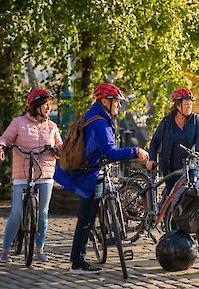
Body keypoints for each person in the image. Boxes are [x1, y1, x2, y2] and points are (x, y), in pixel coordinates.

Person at [54, 83, 149, 274]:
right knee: (86, 219)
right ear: (105, 101)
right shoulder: (100, 122)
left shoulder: (93, 115)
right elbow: (110, 152)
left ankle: (87, 249)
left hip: (88, 171)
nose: (119, 106)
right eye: (116, 102)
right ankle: (77, 262)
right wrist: (135, 150)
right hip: (89, 174)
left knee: (87, 216)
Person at [0, 89, 62, 262]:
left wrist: (60, 150)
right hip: (22, 174)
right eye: (45, 104)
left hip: (45, 174)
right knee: (16, 213)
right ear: (35, 106)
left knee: (43, 213)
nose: (48, 107)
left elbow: (61, 146)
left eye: (49, 104)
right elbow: (5, 139)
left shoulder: (52, 126)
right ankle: (5, 250)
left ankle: (39, 248)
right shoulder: (19, 122)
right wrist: (0, 148)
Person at [146, 87, 199, 196]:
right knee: (172, 199)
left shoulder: (195, 120)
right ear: (178, 105)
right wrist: (152, 159)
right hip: (170, 169)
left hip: (191, 166)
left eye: (191, 104)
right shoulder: (167, 122)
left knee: (192, 196)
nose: (190, 107)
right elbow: (154, 141)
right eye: (187, 104)